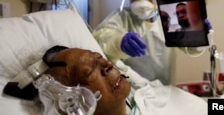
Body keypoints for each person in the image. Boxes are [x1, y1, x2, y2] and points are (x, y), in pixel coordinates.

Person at [42, 45, 208, 115]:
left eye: (99, 57)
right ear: (73, 102)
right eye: (89, 71)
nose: (107, 64)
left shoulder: (147, 97)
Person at [92, 0, 176, 85]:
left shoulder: (167, 18)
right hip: (130, 88)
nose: (142, 1)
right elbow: (100, 36)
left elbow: (188, 45)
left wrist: (199, 31)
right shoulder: (122, 16)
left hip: (165, 87)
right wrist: (118, 42)